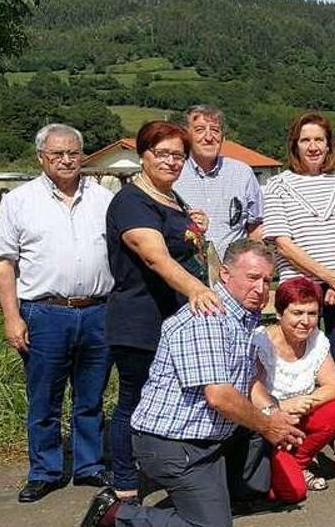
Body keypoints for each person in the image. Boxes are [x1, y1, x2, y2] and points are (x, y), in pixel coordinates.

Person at [80, 240, 305, 527]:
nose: (261, 289)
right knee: (210, 525)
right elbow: (220, 397)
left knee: (260, 432)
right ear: (225, 274)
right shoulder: (208, 318)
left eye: (266, 280)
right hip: (172, 443)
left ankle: (224, 493)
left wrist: (274, 414)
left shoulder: (244, 318)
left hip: (210, 436)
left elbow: (247, 383)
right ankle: (115, 515)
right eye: (252, 278)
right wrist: (267, 425)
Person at [0, 124, 113, 503]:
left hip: (97, 310)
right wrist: (12, 317)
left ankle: (89, 466)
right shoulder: (19, 200)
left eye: (73, 153)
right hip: (44, 313)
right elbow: (3, 263)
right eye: (57, 154)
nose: (66, 160)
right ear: (41, 157)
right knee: (44, 399)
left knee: (90, 397)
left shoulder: (103, 197)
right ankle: (44, 471)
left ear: (83, 155)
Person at [105, 120, 221, 504]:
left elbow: (186, 248)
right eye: (163, 153)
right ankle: (124, 482)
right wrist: (199, 291)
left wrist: (196, 227)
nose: (171, 161)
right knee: (134, 401)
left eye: (178, 155)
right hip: (140, 319)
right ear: (143, 154)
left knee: (169, 400)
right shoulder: (132, 202)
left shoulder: (173, 198)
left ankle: (157, 469)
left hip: (173, 320)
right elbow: (155, 256)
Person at [263, 112, 335, 361]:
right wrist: (327, 276)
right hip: (300, 285)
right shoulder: (278, 185)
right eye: (305, 140)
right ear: (295, 145)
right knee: (297, 353)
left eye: (319, 140)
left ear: (328, 144)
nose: (313, 147)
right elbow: (283, 243)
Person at [249, 277, 335, 503]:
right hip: (266, 426)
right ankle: (275, 471)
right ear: (280, 313)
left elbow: (334, 387)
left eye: (312, 314)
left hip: (298, 421)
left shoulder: (316, 340)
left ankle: (299, 462)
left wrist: (305, 401)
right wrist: (282, 406)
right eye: (297, 313)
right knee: (294, 493)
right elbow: (247, 394)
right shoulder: (260, 341)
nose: (305, 321)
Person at [172, 105, 264, 261]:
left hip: (233, 275)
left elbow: (255, 227)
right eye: (200, 130)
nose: (209, 137)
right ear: (187, 136)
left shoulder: (243, 173)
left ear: (223, 138)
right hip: (185, 273)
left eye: (215, 130)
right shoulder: (173, 175)